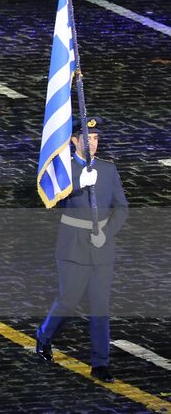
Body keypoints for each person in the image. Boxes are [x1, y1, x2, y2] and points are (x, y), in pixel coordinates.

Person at [35, 119, 128, 383]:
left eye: (96, 138)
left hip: (101, 245)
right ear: (75, 140)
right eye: (87, 137)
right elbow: (52, 198)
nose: (92, 143)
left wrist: (106, 233)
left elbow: (122, 208)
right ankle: (44, 335)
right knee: (69, 300)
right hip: (73, 242)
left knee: (100, 305)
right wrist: (78, 183)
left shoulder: (108, 170)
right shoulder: (63, 169)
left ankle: (101, 362)